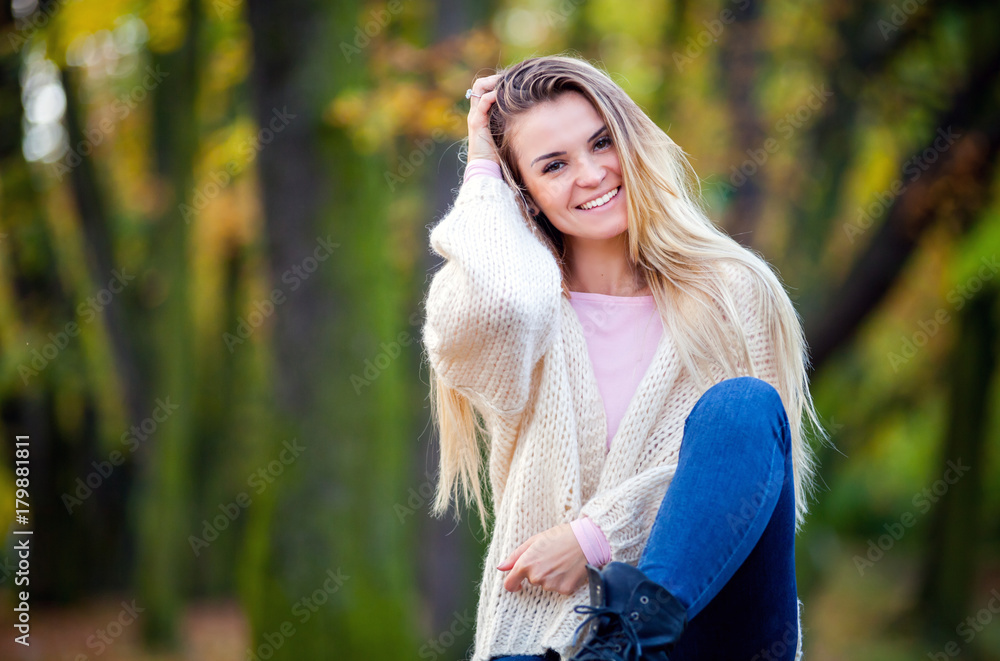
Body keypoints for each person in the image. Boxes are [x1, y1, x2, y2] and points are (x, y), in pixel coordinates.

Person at [420, 54, 824, 661]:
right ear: (521, 194)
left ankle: (625, 643)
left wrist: (596, 537)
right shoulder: (524, 314)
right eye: (553, 165)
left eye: (601, 142)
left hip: (716, 631)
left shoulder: (734, 292)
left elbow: (743, 486)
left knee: (742, 407)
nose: (590, 173)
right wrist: (481, 164)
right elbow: (494, 299)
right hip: (554, 637)